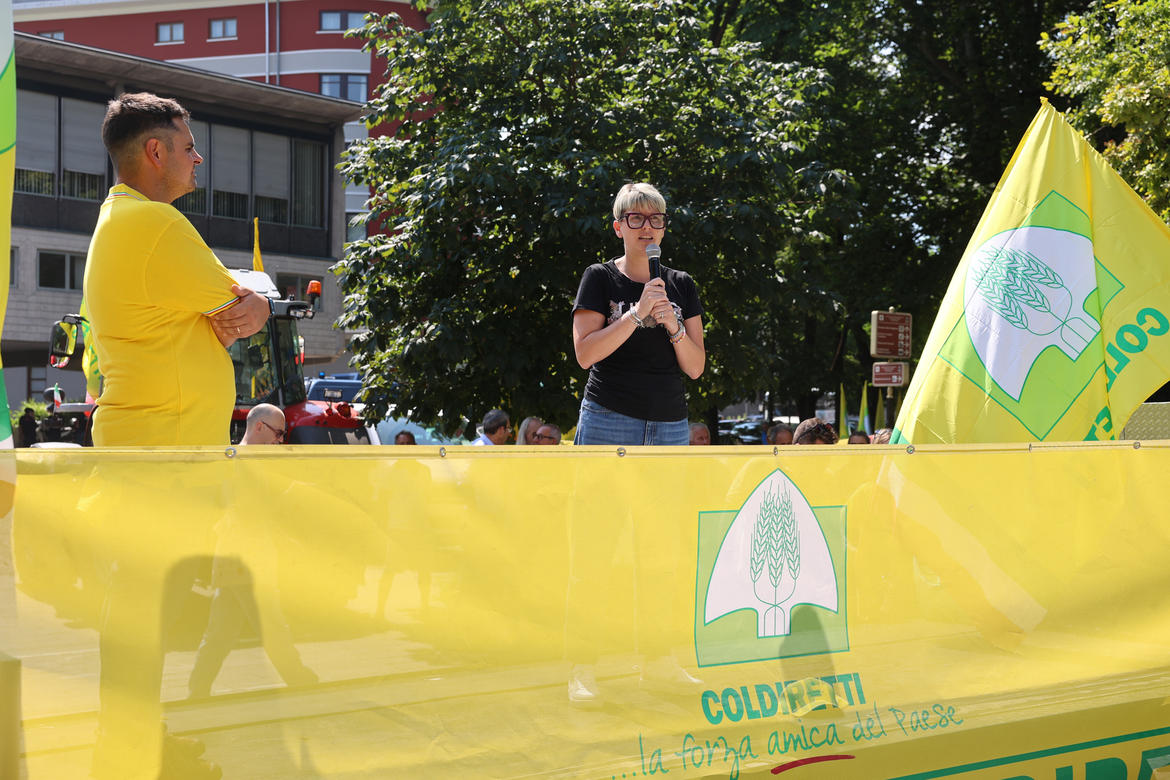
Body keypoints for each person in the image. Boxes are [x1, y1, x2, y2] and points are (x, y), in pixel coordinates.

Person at [84, 92, 270, 447]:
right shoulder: (156, 221)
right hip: (167, 453)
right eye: (188, 148)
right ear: (156, 152)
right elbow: (240, 309)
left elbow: (222, 322)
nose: (198, 158)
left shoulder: (117, 218)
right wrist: (262, 305)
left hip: (149, 445)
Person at [571, 183, 705, 445]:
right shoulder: (599, 277)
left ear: (663, 228)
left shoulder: (682, 283)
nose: (647, 227)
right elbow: (585, 355)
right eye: (636, 218)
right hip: (608, 419)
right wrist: (636, 313)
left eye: (656, 219)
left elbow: (696, 368)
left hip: (670, 423)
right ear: (618, 228)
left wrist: (674, 327)